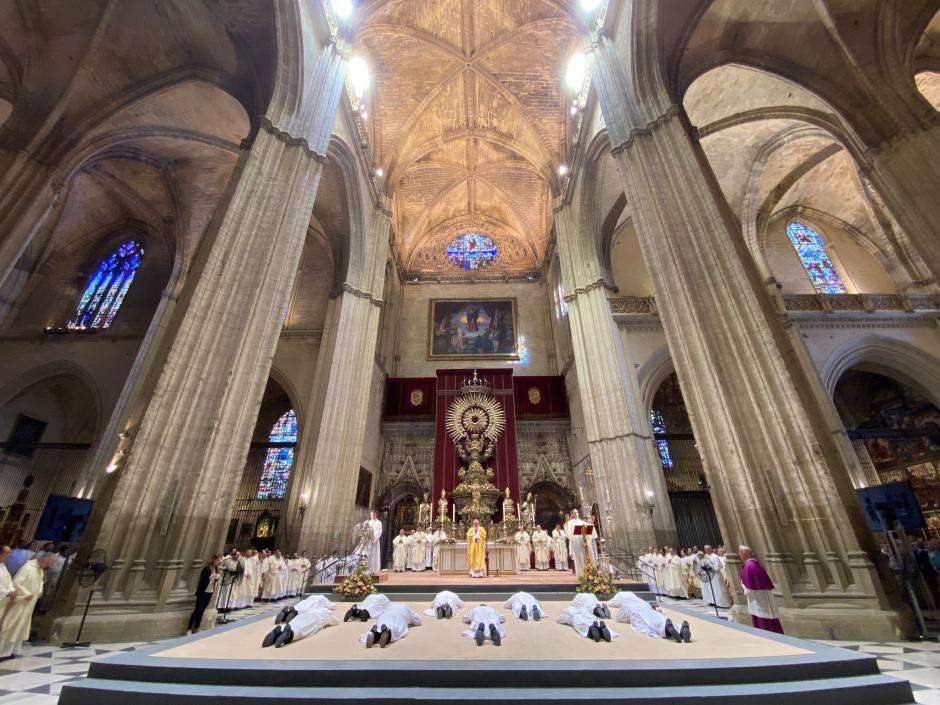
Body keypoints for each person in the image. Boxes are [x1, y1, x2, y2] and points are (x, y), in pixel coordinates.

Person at [2, 551, 57, 658]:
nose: (49, 565)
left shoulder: (40, 570)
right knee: (12, 625)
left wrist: (40, 590)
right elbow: (16, 582)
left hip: (30, 603)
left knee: (21, 626)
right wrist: (26, 593)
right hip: (21, 602)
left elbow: (40, 582)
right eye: (49, 562)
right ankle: (3, 651)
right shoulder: (27, 568)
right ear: (43, 559)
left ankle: (14, 650)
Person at [610, 590, 690, 643]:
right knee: (661, 618)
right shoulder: (642, 601)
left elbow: (618, 618)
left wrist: (628, 619)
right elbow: (654, 609)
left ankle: (667, 630)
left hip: (639, 615)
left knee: (650, 624)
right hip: (651, 611)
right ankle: (681, 629)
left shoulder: (626, 604)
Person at [738, 545, 784, 634]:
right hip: (756, 597)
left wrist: (744, 585)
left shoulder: (751, 566)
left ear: (745, 553)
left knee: (764, 616)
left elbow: (751, 585)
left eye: (740, 552)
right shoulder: (751, 565)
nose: (739, 554)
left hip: (759, 598)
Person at [187, 555, 221, 634]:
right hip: (202, 592)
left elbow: (214, 581)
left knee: (202, 610)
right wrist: (211, 577)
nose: (218, 562)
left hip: (209, 592)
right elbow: (203, 580)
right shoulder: (206, 569)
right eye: (218, 561)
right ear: (213, 560)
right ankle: (189, 629)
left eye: (219, 561)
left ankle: (196, 627)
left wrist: (216, 578)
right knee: (197, 610)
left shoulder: (216, 569)